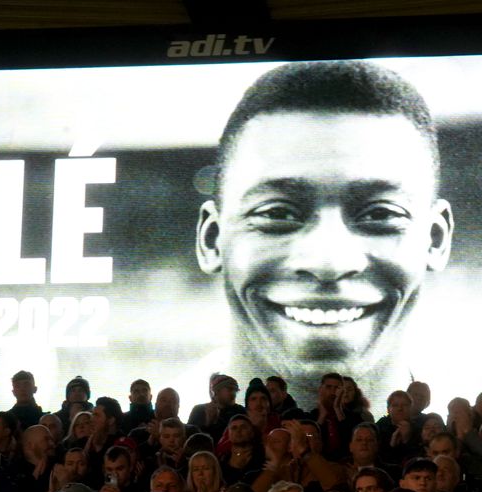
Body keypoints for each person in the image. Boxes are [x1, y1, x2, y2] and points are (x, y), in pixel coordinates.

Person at [193, 60, 454, 410]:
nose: (329, 262)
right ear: (212, 239)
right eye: (276, 213)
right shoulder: (140, 442)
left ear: (435, 239)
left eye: (380, 214)